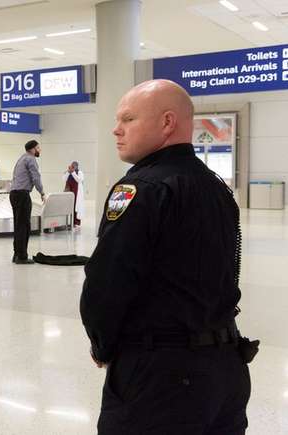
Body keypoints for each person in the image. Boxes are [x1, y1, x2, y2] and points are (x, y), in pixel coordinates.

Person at [80, 79, 254, 434]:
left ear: (167, 123)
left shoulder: (141, 189)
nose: (116, 129)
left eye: (128, 119)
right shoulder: (216, 187)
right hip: (226, 370)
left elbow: (107, 283)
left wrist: (102, 345)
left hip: (161, 378)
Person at [9, 140, 45, 264]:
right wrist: (42, 193)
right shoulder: (31, 159)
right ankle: (22, 256)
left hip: (14, 194)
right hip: (22, 194)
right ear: (33, 149)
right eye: (38, 148)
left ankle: (16, 254)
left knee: (19, 225)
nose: (40, 150)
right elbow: (36, 177)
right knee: (24, 226)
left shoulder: (21, 159)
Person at [63, 161, 85, 227]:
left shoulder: (80, 172)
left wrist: (73, 172)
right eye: (72, 166)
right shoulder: (68, 172)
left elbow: (79, 180)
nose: (73, 167)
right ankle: (67, 222)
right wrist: (68, 172)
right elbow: (64, 179)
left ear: (77, 167)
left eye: (74, 166)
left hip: (76, 192)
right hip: (69, 191)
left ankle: (75, 223)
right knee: (68, 206)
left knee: (76, 207)